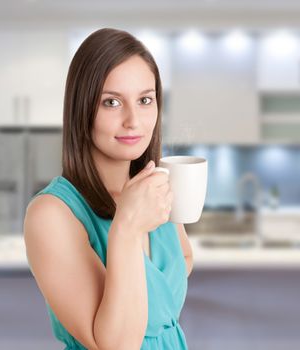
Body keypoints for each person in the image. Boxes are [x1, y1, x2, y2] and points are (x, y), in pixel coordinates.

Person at [23, 28, 193, 350]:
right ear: (81, 109)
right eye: (112, 102)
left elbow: (183, 257)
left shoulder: (154, 188)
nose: (134, 120)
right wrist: (125, 229)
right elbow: (117, 345)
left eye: (145, 100)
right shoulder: (51, 215)